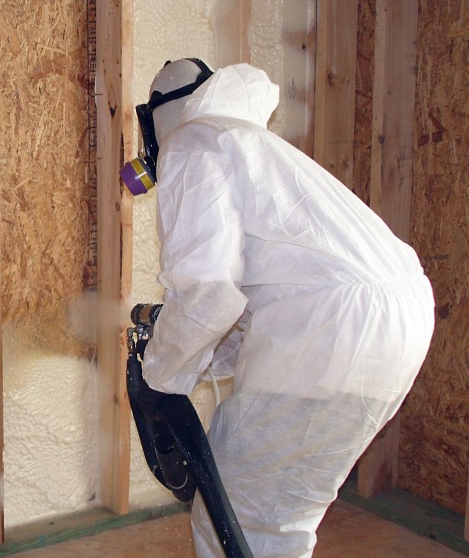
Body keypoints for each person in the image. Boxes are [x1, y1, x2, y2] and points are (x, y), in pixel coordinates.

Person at [131, 59, 434, 557]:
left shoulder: (192, 141)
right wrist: (186, 356)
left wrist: (159, 377)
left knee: (242, 514)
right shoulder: (254, 145)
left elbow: (208, 291)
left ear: (154, 123)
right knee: (280, 507)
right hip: (399, 315)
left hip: (329, 324)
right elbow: (250, 308)